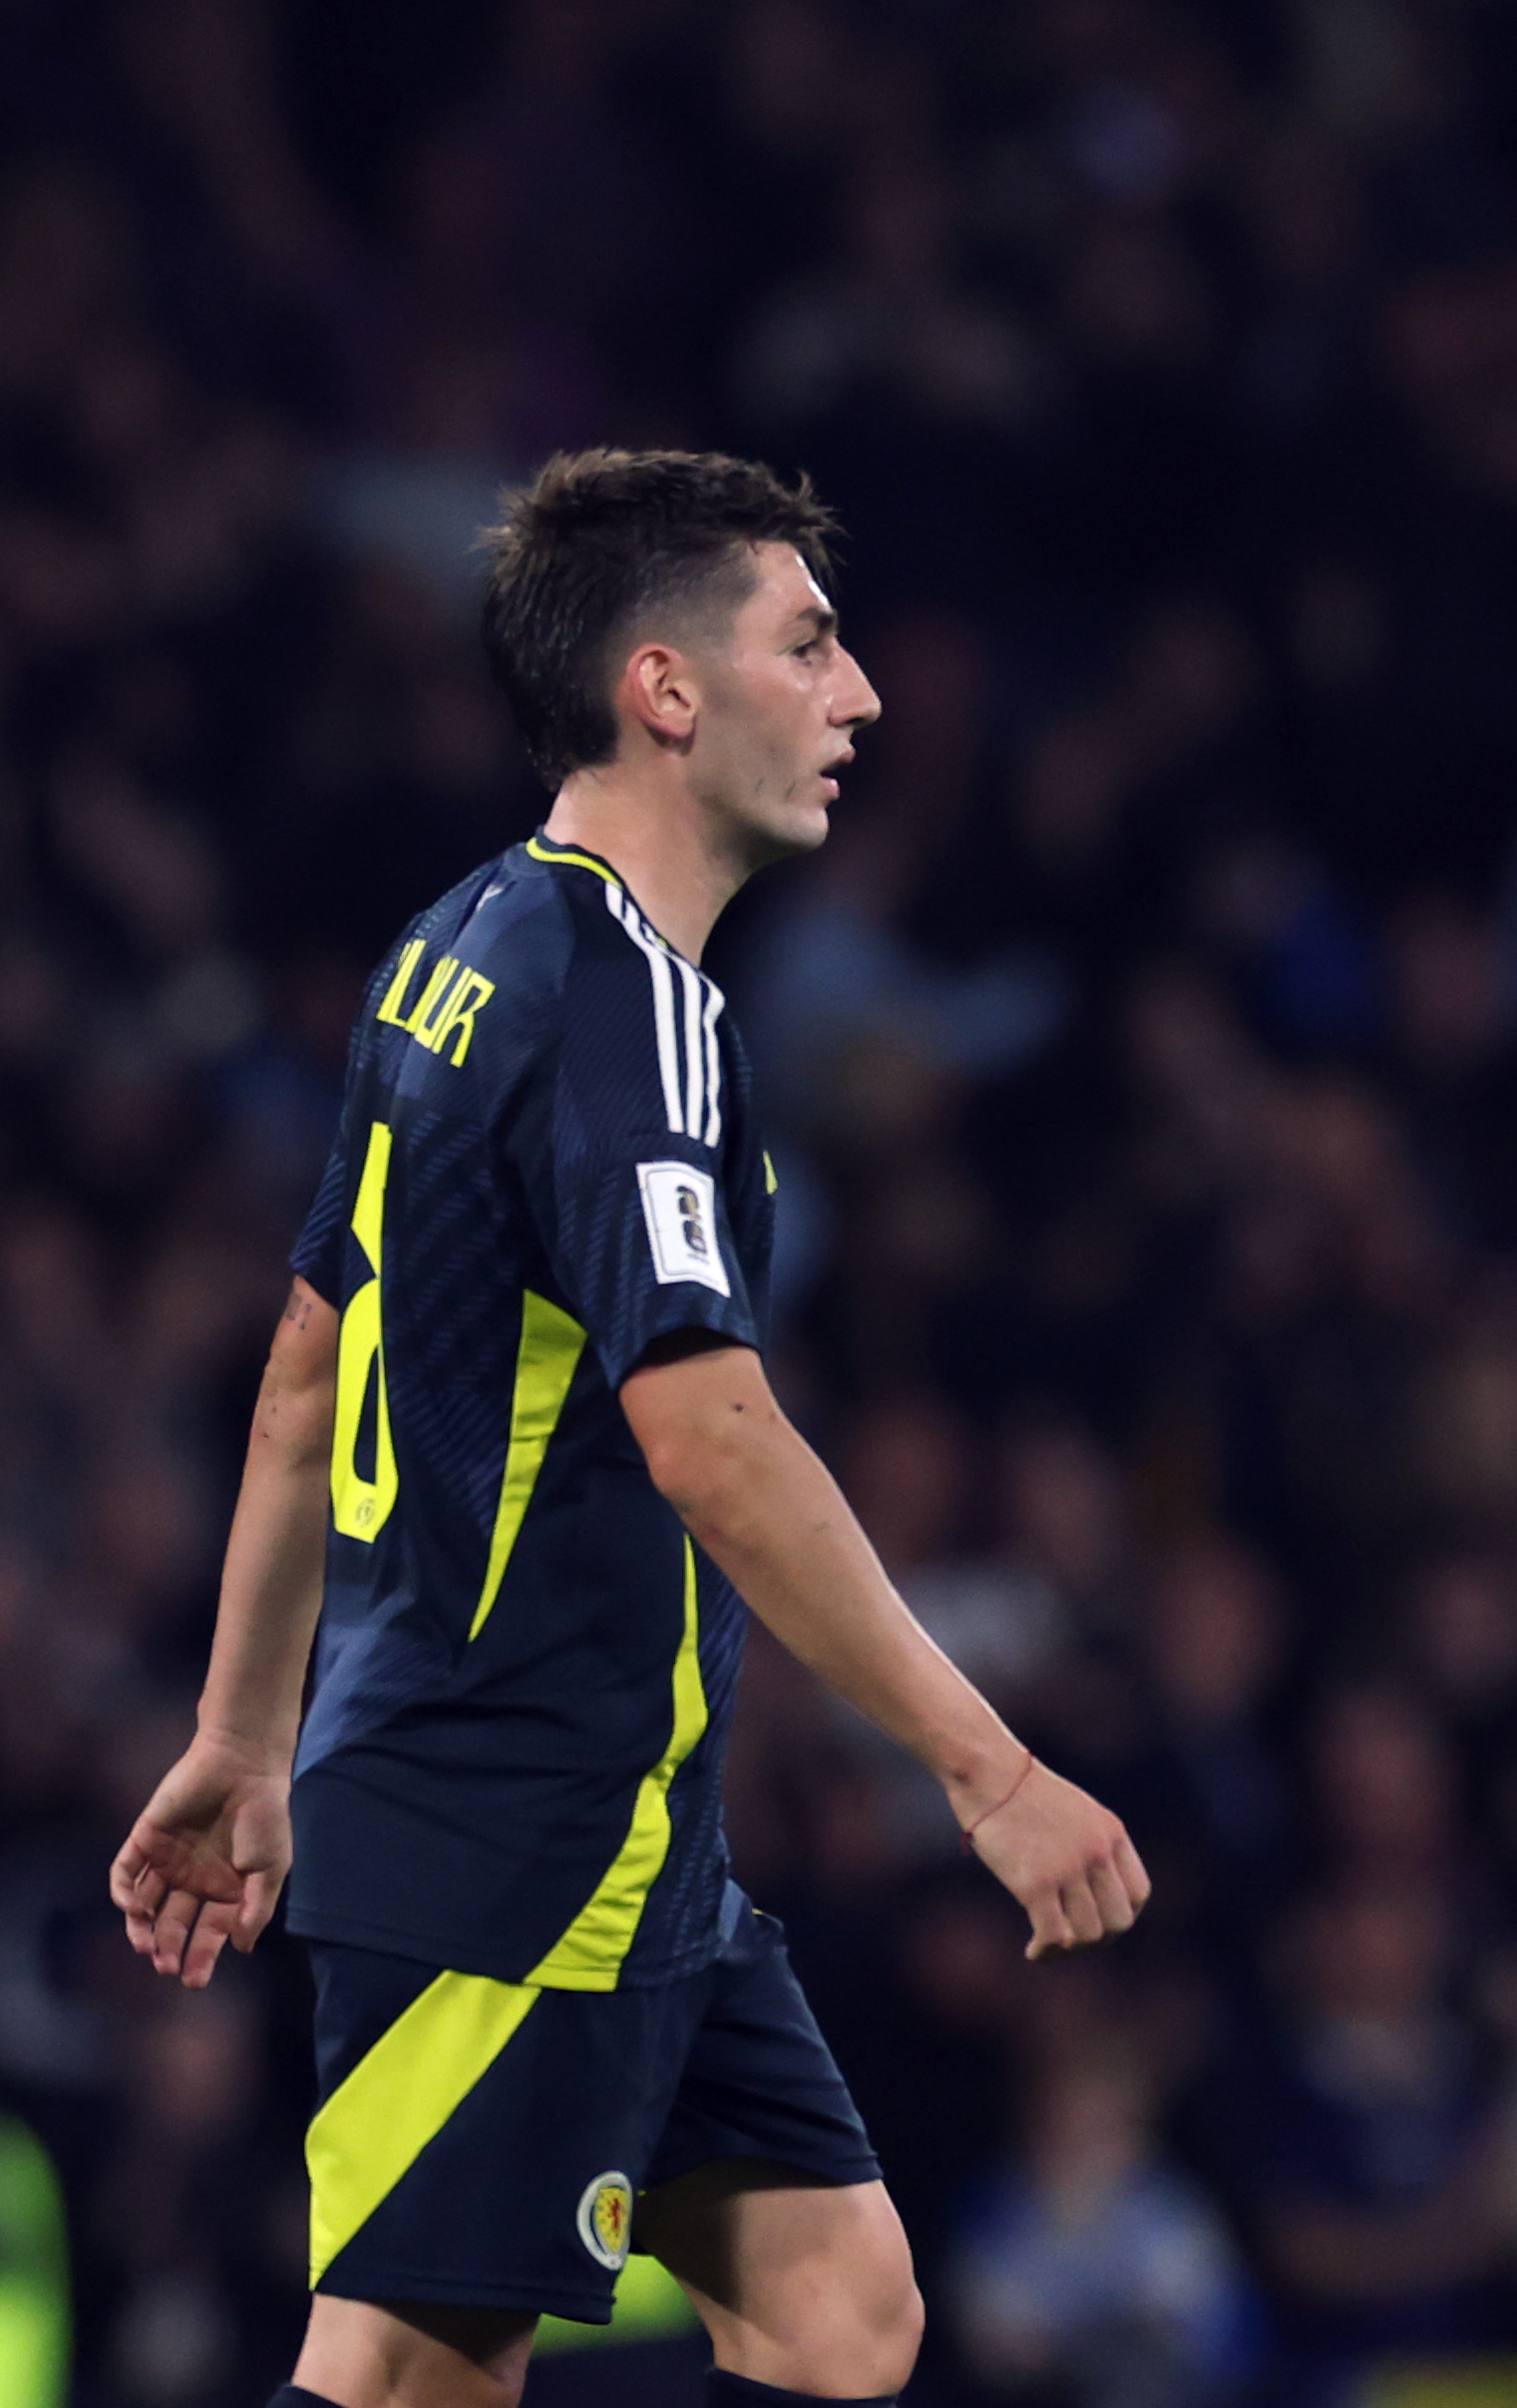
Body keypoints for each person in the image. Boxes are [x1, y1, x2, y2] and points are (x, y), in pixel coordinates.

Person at [108, 449, 1150, 2408]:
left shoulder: (453, 951)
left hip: (631, 1845)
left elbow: (301, 1378)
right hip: (511, 1822)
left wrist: (239, 1739)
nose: (857, 699)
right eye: (810, 644)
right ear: (664, 688)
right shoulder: (618, 1007)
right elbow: (714, 1441)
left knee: (840, 2314)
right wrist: (983, 1762)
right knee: (407, 2376)